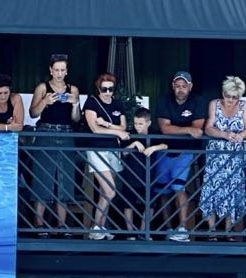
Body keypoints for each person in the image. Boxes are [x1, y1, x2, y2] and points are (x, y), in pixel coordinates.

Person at [28, 55, 80, 236]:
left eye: (62, 70)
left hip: (66, 133)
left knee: (65, 177)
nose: (59, 73)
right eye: (56, 70)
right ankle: (39, 224)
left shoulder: (73, 89)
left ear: (67, 71)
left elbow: (76, 119)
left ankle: (62, 225)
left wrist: (75, 104)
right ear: (50, 70)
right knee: (43, 175)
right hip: (46, 131)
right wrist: (45, 101)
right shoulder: (43, 87)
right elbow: (33, 113)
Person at [155, 70, 207, 241]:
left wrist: (183, 129)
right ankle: (168, 228)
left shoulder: (198, 101)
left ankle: (183, 229)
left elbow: (198, 129)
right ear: (173, 86)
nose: (180, 89)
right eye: (177, 86)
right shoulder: (164, 100)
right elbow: (165, 128)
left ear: (190, 87)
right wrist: (187, 129)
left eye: (184, 86)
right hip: (164, 149)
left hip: (186, 151)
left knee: (179, 187)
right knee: (163, 190)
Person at [200, 75, 246, 239]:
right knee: (212, 189)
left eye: (235, 97)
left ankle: (229, 230)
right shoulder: (214, 104)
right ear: (223, 93)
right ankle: (212, 230)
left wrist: (241, 135)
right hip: (216, 155)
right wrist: (224, 134)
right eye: (228, 96)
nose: (230, 100)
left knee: (232, 189)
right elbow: (208, 128)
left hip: (234, 156)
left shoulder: (243, 106)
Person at [82, 72, 129, 240]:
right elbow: (95, 129)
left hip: (113, 150)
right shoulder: (92, 102)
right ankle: (95, 227)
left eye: (111, 89)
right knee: (110, 191)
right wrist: (116, 131)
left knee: (105, 191)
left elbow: (123, 127)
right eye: (104, 89)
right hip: (97, 149)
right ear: (98, 88)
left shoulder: (117, 104)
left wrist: (107, 124)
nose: (108, 92)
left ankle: (100, 226)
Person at [119, 108, 168, 237]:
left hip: (149, 175)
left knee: (150, 204)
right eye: (135, 123)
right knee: (128, 204)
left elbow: (166, 145)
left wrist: (154, 148)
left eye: (140, 124)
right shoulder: (130, 134)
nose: (137, 126)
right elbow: (122, 152)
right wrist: (134, 143)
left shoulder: (155, 133)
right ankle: (130, 233)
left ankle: (143, 231)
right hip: (131, 174)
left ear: (148, 123)